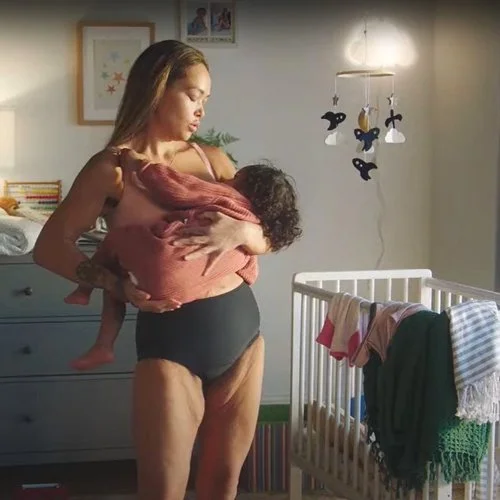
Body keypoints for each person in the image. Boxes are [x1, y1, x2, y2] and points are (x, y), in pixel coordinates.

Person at [33, 39, 284, 500]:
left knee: (223, 486)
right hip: (172, 345)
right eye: (193, 95)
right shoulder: (112, 169)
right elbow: (50, 247)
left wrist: (241, 233)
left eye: (206, 99)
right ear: (157, 90)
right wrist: (114, 284)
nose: (201, 109)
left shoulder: (213, 160)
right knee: (163, 491)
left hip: (243, 338)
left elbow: (269, 236)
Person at [64, 154, 301, 371]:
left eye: (234, 177)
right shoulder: (251, 215)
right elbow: (251, 269)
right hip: (211, 311)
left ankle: (89, 304)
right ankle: (102, 342)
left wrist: (139, 165)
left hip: (168, 282)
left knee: (113, 243)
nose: (224, 179)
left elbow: (175, 187)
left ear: (244, 185)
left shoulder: (222, 187)